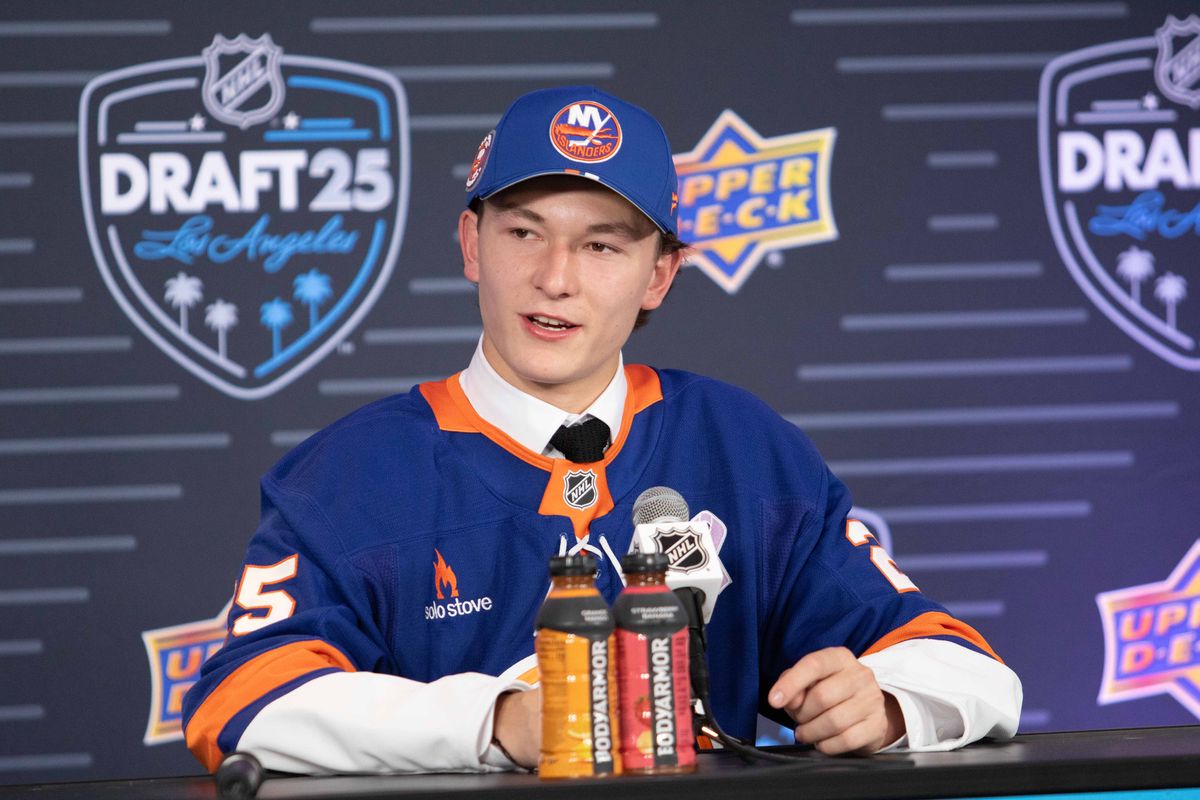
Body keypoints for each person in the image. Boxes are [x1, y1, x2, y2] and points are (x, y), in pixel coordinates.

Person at [182, 86, 1022, 775]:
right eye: (523, 233)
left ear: (660, 274)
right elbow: (244, 700)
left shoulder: (744, 445)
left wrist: (885, 703)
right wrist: (498, 721)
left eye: (602, 247)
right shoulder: (349, 474)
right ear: (472, 243)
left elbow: (972, 671)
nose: (555, 280)